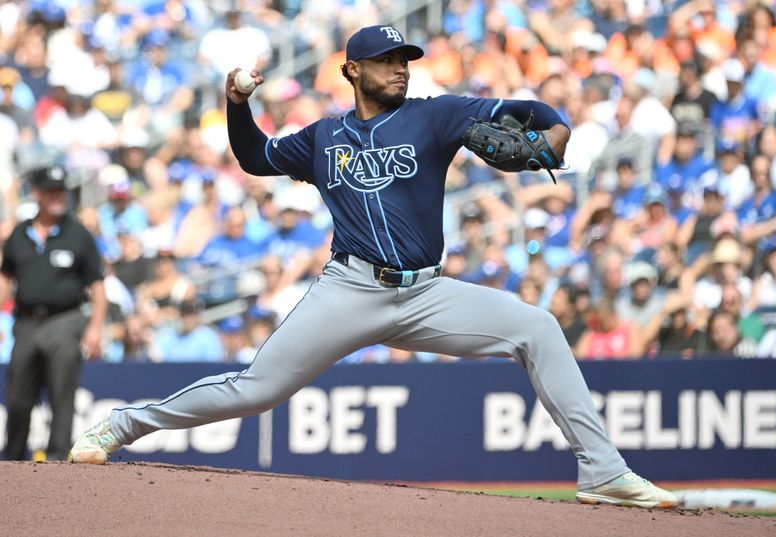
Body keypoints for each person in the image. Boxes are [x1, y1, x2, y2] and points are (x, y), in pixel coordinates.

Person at [70, 25, 676, 509]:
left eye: (404, 58)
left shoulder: (435, 114)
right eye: (387, 59)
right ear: (353, 70)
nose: (400, 67)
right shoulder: (322, 136)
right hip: (351, 288)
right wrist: (234, 104)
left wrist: (558, 127)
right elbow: (254, 157)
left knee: (537, 327)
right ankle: (120, 425)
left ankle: (603, 472)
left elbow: (523, 108)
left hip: (426, 293)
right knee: (256, 390)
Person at [1, 166, 107, 461]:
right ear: (37, 193)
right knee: (18, 397)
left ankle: (58, 459)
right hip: (26, 322)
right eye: (51, 191)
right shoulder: (19, 235)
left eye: (61, 191)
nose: (57, 196)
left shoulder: (79, 235)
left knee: (63, 393)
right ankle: (13, 461)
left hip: (66, 320)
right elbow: (6, 278)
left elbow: (97, 286)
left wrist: (95, 328)